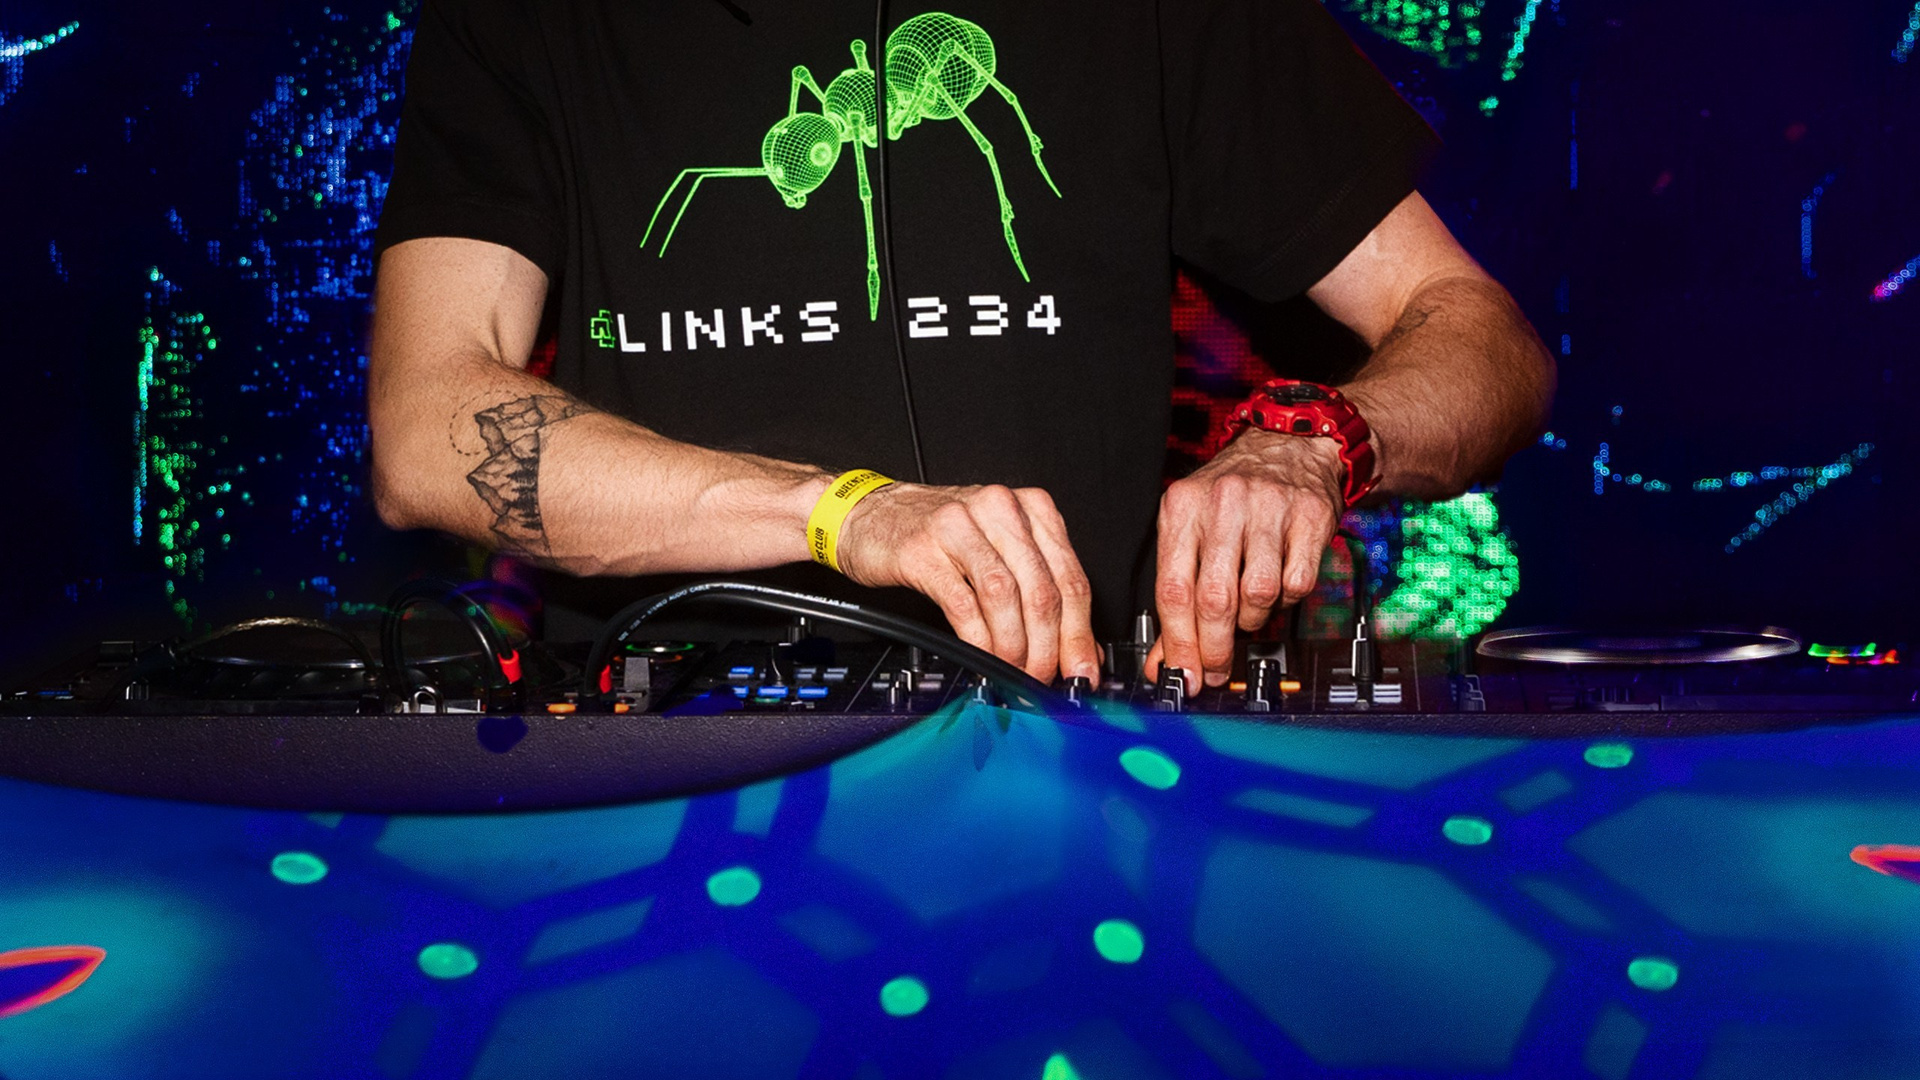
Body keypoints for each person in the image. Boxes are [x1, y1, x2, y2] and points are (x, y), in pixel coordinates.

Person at [368, 0, 1555, 690]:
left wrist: (1310, 443)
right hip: (676, 776)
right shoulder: (531, 19)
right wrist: (849, 512)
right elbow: (424, 434)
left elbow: (1478, 334)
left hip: (1065, 748)